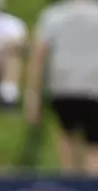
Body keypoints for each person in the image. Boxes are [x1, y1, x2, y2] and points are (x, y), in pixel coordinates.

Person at [24, 0, 98, 176]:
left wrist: (32, 94)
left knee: (67, 135)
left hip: (63, 86)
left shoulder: (52, 15)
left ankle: (69, 179)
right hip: (94, 86)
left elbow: (38, 55)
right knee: (94, 144)